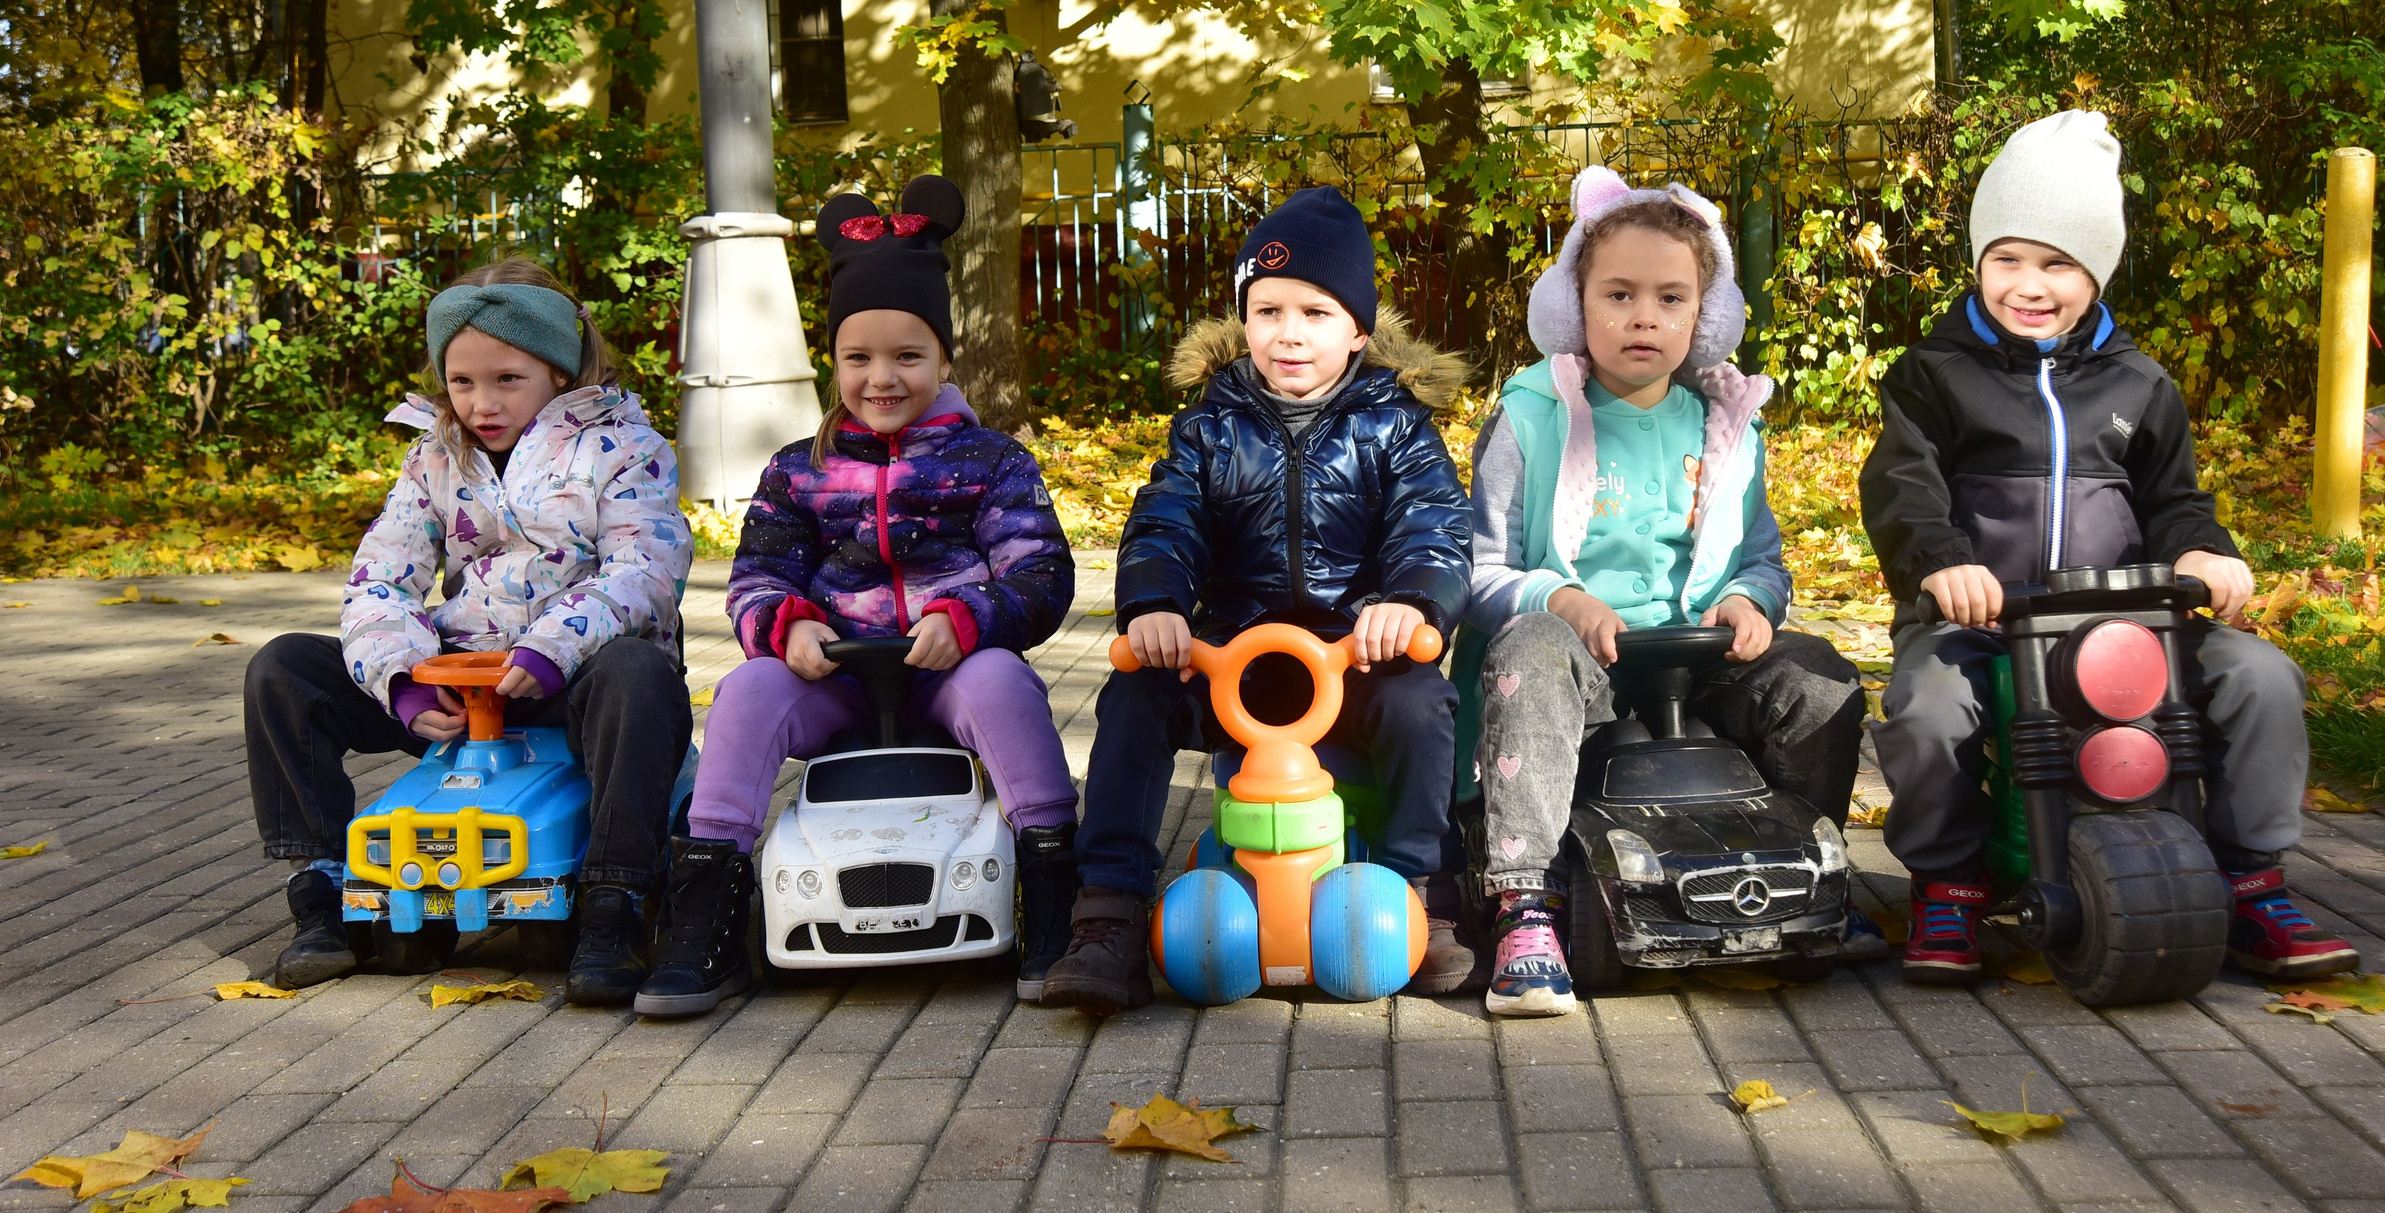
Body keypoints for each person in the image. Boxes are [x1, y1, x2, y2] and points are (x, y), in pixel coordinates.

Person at [1861, 108, 2358, 983]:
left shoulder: (2139, 381)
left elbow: (2176, 500)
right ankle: (1950, 884)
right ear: (1978, 261)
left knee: (2259, 678)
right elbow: (1902, 486)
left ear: (2097, 270)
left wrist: (2204, 552)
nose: (2030, 282)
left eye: (2058, 262)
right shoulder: (1933, 374)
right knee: (1929, 703)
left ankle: (2250, 879)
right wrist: (1941, 563)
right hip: (1988, 615)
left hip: (2128, 622)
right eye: (2007, 258)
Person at [637, 176, 1079, 1015]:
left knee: (1002, 682)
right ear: (833, 359)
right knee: (746, 690)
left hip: (947, 673)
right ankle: (708, 909)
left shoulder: (991, 461)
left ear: (945, 358)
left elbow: (1040, 574)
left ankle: (1055, 882)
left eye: (908, 356)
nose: (882, 377)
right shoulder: (797, 469)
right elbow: (756, 577)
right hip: (835, 677)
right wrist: (786, 626)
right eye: (859, 357)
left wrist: (971, 614)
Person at [1038, 186, 1475, 1014]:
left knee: (1422, 705)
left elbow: (1434, 525)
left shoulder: (1396, 427)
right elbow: (1166, 521)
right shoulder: (1210, 427)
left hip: (1352, 659)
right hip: (1233, 658)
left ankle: (1422, 888)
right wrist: (1155, 604)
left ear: (1357, 327)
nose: (1289, 332)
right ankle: (1111, 910)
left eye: (1315, 311)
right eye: (1267, 310)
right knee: (1135, 696)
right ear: (1245, 320)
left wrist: (1410, 601)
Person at [1461, 166, 1881, 1018]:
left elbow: (1762, 560)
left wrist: (1750, 604)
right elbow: (1480, 568)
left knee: (1819, 678)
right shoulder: (1531, 415)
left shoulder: (1725, 424)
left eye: (1670, 298)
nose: (1643, 316)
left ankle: (1805, 871)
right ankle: (1524, 903)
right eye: (1618, 294)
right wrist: (1561, 599)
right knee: (1530, 652)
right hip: (1577, 658)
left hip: (1699, 658)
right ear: (1576, 304)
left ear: (1705, 314)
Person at [244, 258, 695, 1004]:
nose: (481, 402)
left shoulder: (624, 448)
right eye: (462, 382)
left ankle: (614, 901)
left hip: (572, 676)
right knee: (284, 668)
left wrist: (552, 649)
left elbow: (645, 568)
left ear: (558, 368)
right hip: (463, 682)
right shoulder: (432, 457)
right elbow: (380, 579)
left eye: (506, 379)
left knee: (638, 673)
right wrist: (405, 678)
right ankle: (319, 893)